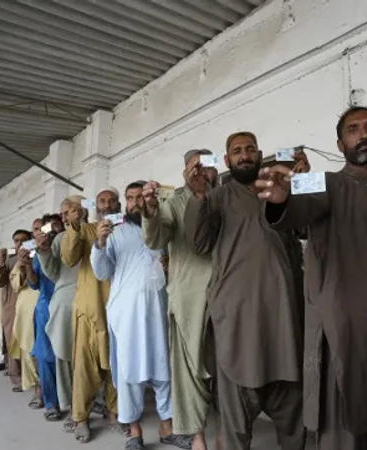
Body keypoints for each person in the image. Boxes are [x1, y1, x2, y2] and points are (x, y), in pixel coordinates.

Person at [257, 107, 367, 449]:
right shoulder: (323, 182)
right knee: (342, 432)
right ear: (340, 144)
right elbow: (295, 209)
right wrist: (280, 199)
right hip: (340, 329)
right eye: (353, 129)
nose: (363, 134)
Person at [184, 132, 305, 450]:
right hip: (238, 322)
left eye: (250, 149)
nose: (245, 155)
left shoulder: (276, 189)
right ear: (227, 161)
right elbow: (199, 243)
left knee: (294, 420)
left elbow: (306, 228)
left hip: (282, 319)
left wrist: (303, 183)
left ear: (260, 153)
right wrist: (198, 197)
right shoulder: (218, 197)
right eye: (237, 151)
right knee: (236, 426)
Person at [92, 181, 190, 450]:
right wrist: (99, 243)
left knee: (163, 370)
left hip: (158, 309)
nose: (135, 203)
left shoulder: (161, 227)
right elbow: (101, 272)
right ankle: (134, 432)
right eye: (130, 198)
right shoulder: (114, 232)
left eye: (139, 198)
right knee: (130, 373)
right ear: (125, 202)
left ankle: (167, 428)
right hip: (127, 315)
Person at [141, 150, 218, 450]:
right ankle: (198, 437)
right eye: (195, 166)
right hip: (189, 297)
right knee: (190, 370)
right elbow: (156, 239)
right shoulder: (173, 202)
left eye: (207, 165)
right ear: (185, 170)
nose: (202, 171)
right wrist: (149, 211)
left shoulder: (224, 197)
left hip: (228, 292)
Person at [59, 190, 123, 442]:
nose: (107, 205)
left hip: (118, 307)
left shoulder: (125, 229)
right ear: (94, 206)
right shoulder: (85, 230)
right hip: (89, 307)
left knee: (116, 364)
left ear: (119, 205)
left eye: (111, 201)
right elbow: (69, 258)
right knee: (84, 366)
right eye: (102, 202)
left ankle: (113, 411)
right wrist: (74, 225)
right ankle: (80, 417)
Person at [36, 205, 80, 432]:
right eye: (46, 226)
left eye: (59, 221)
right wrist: (40, 252)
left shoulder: (89, 233)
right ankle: (60, 403)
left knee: (89, 357)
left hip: (87, 302)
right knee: (54, 356)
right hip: (54, 305)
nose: (52, 228)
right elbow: (42, 277)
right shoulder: (52, 244)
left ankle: (89, 403)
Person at [29, 215, 60, 420]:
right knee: (47, 357)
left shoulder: (67, 246)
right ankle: (51, 403)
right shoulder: (38, 253)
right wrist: (25, 265)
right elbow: (34, 283)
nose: (46, 231)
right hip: (46, 307)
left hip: (69, 306)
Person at [9, 232, 39, 391]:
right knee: (26, 347)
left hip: (37, 305)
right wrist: (21, 264)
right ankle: (34, 386)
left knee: (36, 347)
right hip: (23, 310)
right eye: (16, 241)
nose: (20, 244)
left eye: (24, 241)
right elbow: (15, 285)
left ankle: (41, 388)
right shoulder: (15, 263)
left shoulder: (40, 257)